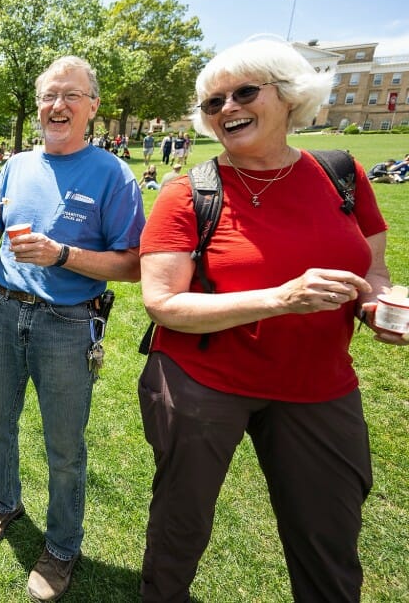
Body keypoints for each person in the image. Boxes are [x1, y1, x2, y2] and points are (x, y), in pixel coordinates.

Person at [137, 38, 406, 603]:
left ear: (287, 95)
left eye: (243, 92)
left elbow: (374, 270)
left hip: (319, 385)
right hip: (203, 381)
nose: (227, 108)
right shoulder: (188, 192)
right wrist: (278, 298)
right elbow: (163, 304)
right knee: (180, 525)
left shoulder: (343, 175)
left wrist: (376, 304)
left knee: (329, 535)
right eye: (213, 104)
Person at [0, 55, 144, 602]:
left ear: (92, 107)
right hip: (2, 310)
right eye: (49, 95)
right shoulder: (16, 164)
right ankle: (3, 503)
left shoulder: (112, 174)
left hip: (69, 326)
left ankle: (63, 546)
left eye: (70, 95)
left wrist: (61, 254)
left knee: (64, 447)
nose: (56, 105)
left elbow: (133, 263)